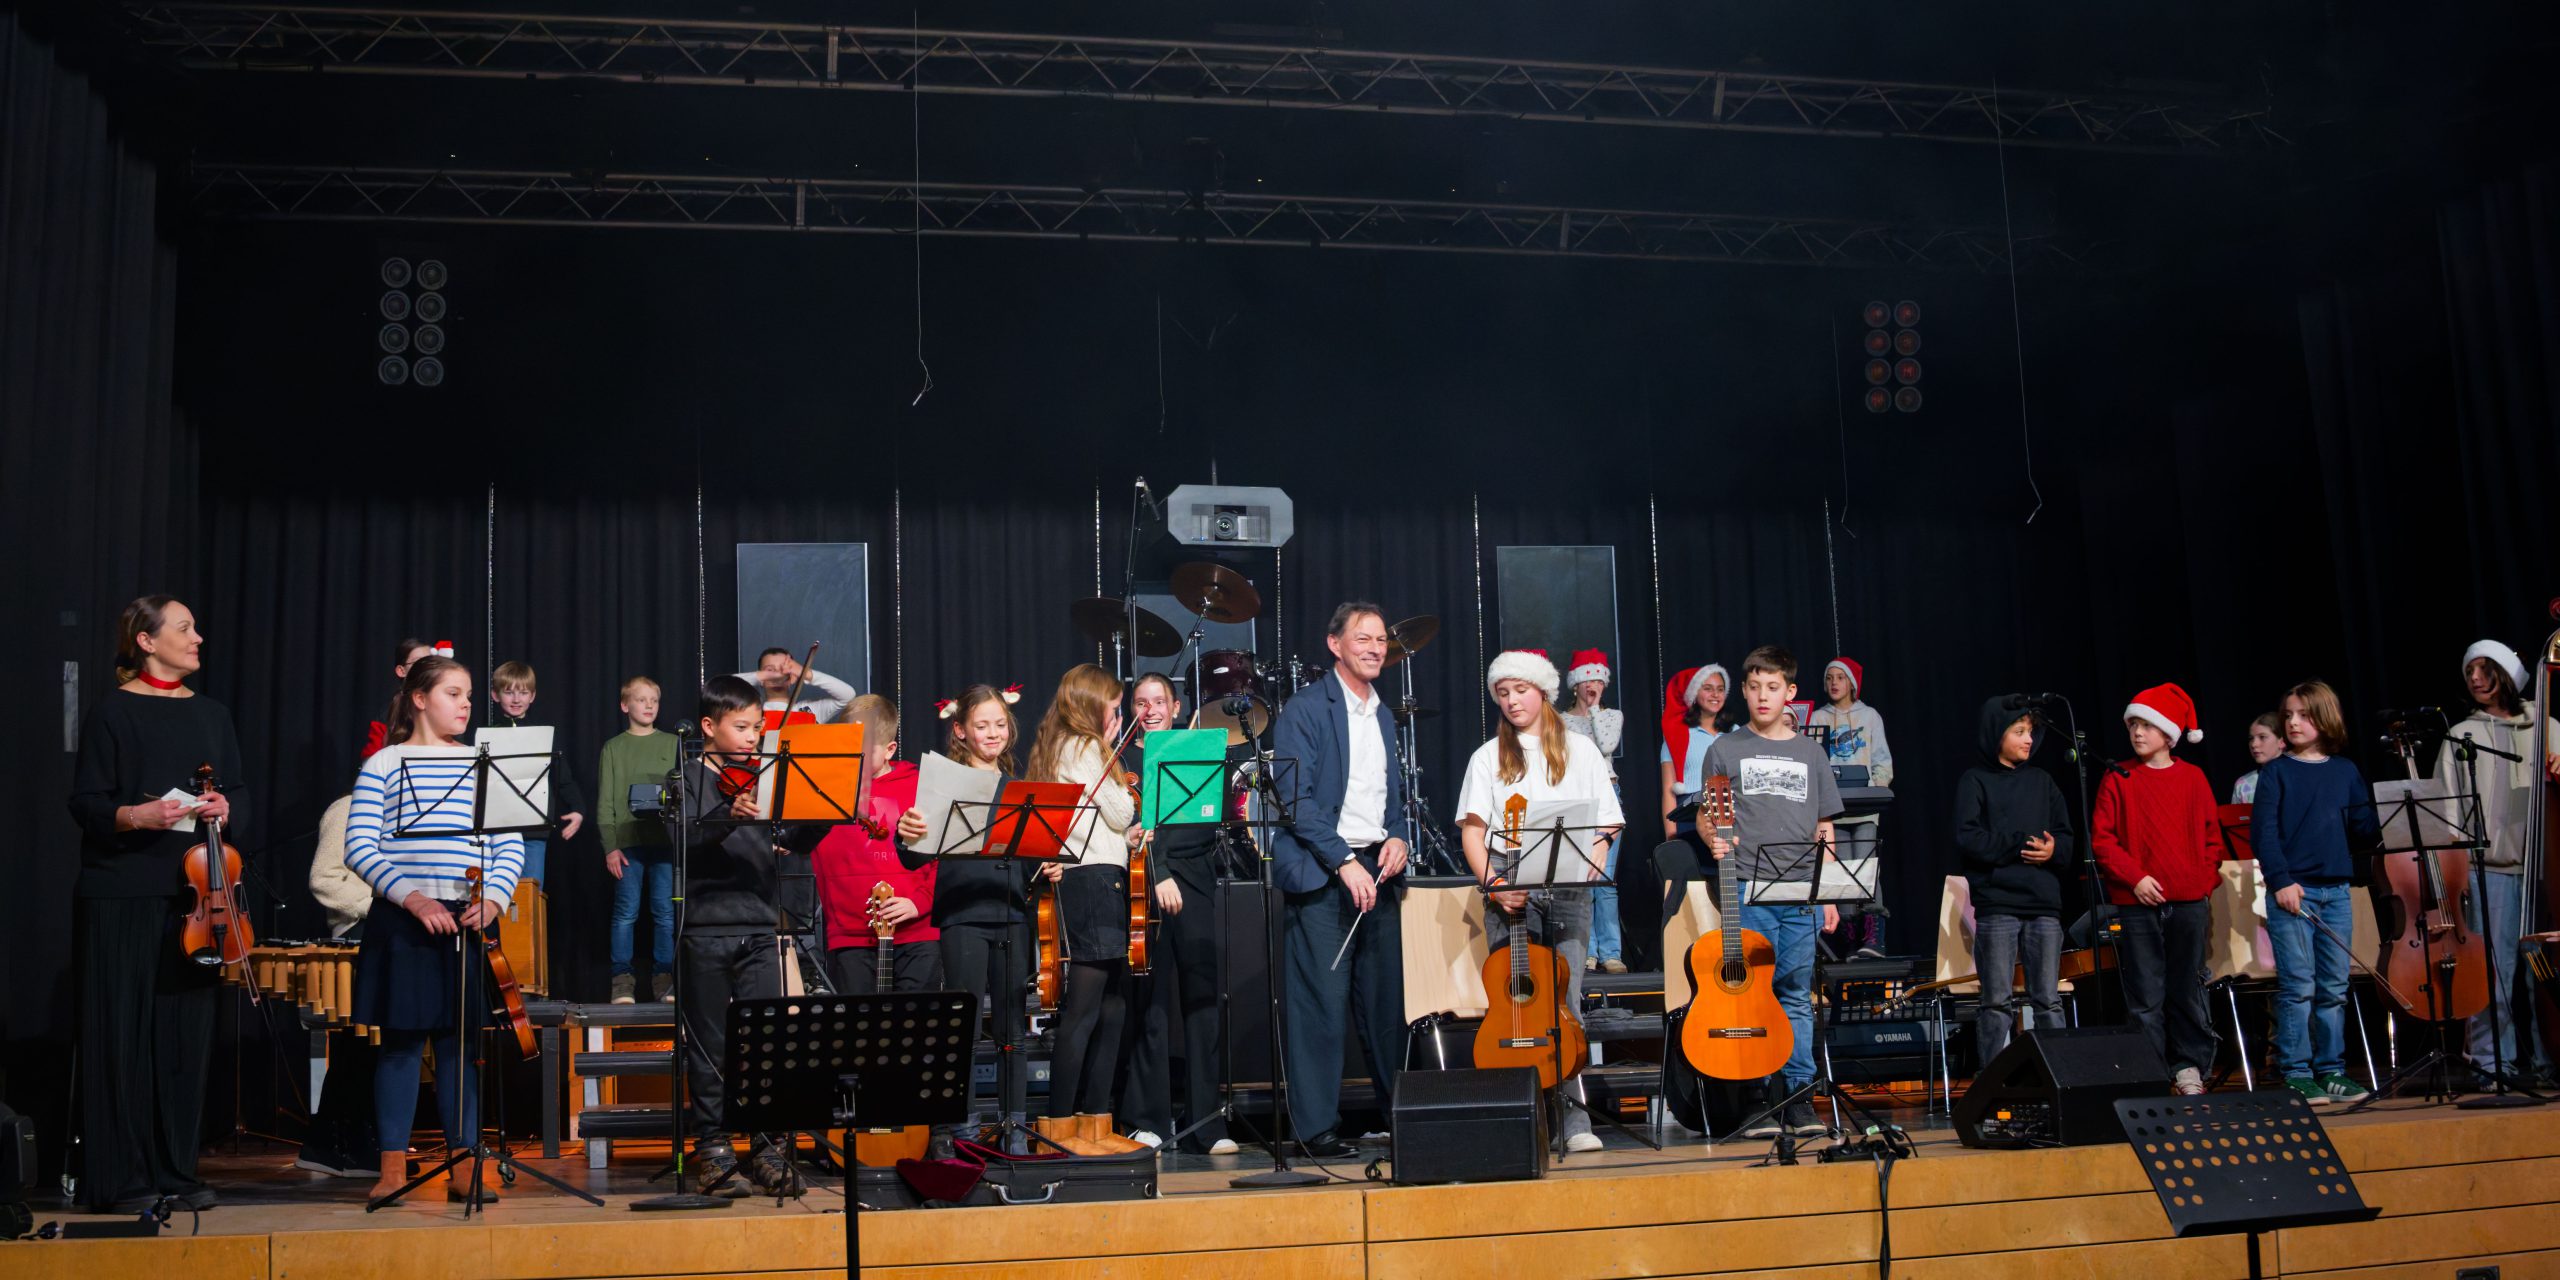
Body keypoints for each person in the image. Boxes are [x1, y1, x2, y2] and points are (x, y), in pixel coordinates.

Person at [65, 596, 244, 1213]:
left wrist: (226, 806)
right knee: (121, 1036)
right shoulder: (112, 711)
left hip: (197, 897)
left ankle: (176, 1170)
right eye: (184, 628)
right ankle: (120, 1177)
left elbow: (239, 791)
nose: (198, 638)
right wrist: (133, 815)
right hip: (122, 891)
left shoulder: (213, 714)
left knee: (183, 1039)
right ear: (146, 641)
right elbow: (86, 802)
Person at [342, 654, 521, 1203]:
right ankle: (393, 1168)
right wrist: (414, 899)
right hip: (405, 921)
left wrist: (495, 897)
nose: (466, 705)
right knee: (400, 1046)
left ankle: (463, 1163)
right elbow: (359, 846)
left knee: (459, 1048)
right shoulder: (385, 763)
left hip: (465, 920)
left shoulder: (484, 764)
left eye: (468, 695)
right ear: (419, 699)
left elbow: (509, 842)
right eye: (453, 693)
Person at [1457, 649, 1624, 1153]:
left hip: (1568, 887)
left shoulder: (1581, 750)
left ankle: (1573, 1119)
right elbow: (1473, 831)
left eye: (1520, 690)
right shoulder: (1487, 756)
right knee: (1517, 1004)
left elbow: (1609, 819)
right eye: (1503, 693)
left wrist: (1598, 851)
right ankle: (1523, 1118)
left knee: (1565, 1004)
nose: (1511, 701)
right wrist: (1494, 884)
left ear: (1544, 692)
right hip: (1509, 887)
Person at [663, 675, 818, 1196]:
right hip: (703, 928)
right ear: (709, 726)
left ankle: (769, 1149)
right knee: (710, 1046)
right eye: (742, 727)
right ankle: (714, 1149)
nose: (753, 737)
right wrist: (726, 817)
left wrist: (828, 813)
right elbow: (681, 839)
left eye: (758, 728)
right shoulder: (684, 778)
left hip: (760, 925)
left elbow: (794, 838)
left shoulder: (765, 776)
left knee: (767, 1044)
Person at [1270, 602, 1414, 1160]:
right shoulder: (1306, 708)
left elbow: (1391, 796)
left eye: (1381, 640)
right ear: (1335, 644)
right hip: (1325, 870)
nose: (1376, 648)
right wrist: (1343, 861)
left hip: (1378, 869)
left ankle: (1399, 1116)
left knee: (1385, 1007)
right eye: (1364, 638)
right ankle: (1315, 1130)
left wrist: (1398, 836)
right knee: (1321, 1007)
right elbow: (1294, 799)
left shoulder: (1383, 714)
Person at [1701, 645, 1841, 1139]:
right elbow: (1707, 813)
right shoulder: (1725, 749)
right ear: (1744, 690)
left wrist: (1828, 892)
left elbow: (1824, 825)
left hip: (1801, 891)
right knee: (1752, 994)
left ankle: (1799, 1098)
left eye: (1773, 687)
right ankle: (1760, 1096)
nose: (1764, 696)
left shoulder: (1811, 753)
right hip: (1747, 887)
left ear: (1790, 692)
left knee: (1796, 995)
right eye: (1755, 687)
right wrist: (1712, 837)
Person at [894, 682, 1034, 1152]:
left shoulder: (1019, 789)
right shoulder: (943, 784)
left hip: (1012, 914)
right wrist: (905, 833)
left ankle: (1015, 1129)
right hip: (962, 916)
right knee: (965, 1030)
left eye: (1000, 724)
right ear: (960, 730)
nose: (993, 733)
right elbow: (913, 856)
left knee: (1013, 1032)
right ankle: (963, 1130)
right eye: (982, 725)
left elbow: (1032, 859)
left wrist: (1047, 861)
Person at [1020, 665, 1147, 1155]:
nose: (1118, 716)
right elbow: (1119, 810)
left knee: (1112, 1007)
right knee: (1085, 1010)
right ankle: (1057, 1127)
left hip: (1100, 875)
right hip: (1091, 882)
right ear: (1093, 706)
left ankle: (1095, 1123)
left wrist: (1125, 838)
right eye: (1113, 708)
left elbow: (1100, 825)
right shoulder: (1083, 746)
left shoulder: (1068, 746)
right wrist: (1109, 752)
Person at [1118, 673, 1236, 1154]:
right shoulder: (1123, 760)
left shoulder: (1198, 752)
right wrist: (1159, 870)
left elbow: (1209, 818)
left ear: (1176, 706)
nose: (1150, 710)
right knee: (1151, 1000)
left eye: (1159, 701)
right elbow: (1132, 827)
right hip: (1146, 879)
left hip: (1197, 878)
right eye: (1140, 702)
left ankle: (1206, 1124)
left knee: (1203, 998)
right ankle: (1147, 1120)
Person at [2090, 682, 2227, 1095]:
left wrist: (2200, 884)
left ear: (2168, 734)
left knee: (2185, 988)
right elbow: (2103, 840)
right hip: (2137, 903)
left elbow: (2213, 840)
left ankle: (2188, 1067)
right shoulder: (2119, 777)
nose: (2137, 732)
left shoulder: (2193, 778)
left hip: (2188, 901)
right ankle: (2149, 1072)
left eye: (2146, 725)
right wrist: (2136, 878)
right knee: (2145, 994)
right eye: (2132, 725)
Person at [2254, 680, 2381, 1105]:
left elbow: (2364, 827)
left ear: (2325, 719)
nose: (2293, 722)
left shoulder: (2344, 770)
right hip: (2295, 892)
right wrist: (2281, 881)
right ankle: (2296, 1073)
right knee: (2298, 987)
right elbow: (2264, 835)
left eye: (2303, 715)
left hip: (2337, 893)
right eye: (2289, 715)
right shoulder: (2276, 772)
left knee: (2334, 988)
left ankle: (2331, 1071)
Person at [2440, 640, 2553, 1089]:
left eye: (2485, 669)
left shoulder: (2547, 726)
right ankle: (2492, 1064)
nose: (2475, 678)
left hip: (2546, 874)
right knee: (2494, 974)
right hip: (2490, 871)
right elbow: (2448, 809)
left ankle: (2550, 1060)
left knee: (2544, 975)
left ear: (2506, 675)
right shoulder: (2461, 735)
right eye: (2470, 671)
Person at [1953, 696, 2075, 1066]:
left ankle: (2057, 1076)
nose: (2028, 739)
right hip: (1999, 904)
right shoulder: (1975, 780)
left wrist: (2053, 850)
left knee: (2048, 999)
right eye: (2019, 731)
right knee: (1996, 1002)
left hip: (2043, 904)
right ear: (1997, 734)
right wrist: (2019, 844)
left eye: (2030, 732)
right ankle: (1996, 1080)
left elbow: (2066, 837)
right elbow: (1969, 838)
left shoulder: (2042, 781)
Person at [815, 695, 937, 994]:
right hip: (850, 935)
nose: (854, 754)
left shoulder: (921, 786)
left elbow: (943, 857)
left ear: (889, 749)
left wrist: (919, 902)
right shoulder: (823, 788)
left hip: (917, 931)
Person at [597, 676, 679, 1003]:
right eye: (641, 699)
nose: (648, 705)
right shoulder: (614, 747)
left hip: (664, 842)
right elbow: (605, 801)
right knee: (626, 913)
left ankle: (664, 978)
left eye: (654, 700)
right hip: (627, 843)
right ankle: (622, 980)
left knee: (665, 913)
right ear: (624, 705)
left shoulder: (672, 743)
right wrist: (610, 846)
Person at [1807, 656, 1891, 949]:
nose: (1834, 683)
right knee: (1840, 870)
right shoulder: (1818, 718)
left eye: (1840, 678)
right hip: (1835, 811)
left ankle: (1872, 937)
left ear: (1852, 683)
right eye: (1829, 678)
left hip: (1864, 809)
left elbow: (1882, 759)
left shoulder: (1869, 716)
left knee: (1866, 866)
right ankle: (1849, 938)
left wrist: (1876, 788)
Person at [485, 660, 585, 886]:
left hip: (532, 831)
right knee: (495, 891)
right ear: (495, 695)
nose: (516, 699)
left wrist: (578, 809)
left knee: (530, 894)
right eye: (509, 692)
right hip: (495, 830)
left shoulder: (543, 734)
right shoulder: (486, 733)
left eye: (523, 693)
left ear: (532, 696)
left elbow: (563, 778)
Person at [1558, 648, 1627, 973]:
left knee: (1605, 879)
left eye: (1598, 680)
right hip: (1577, 798)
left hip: (1608, 795)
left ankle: (1611, 952)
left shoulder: (1612, 716)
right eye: (1587, 681)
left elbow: (1607, 745)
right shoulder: (1561, 721)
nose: (1593, 685)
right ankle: (1588, 949)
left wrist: (1595, 709)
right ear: (1575, 685)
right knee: (1583, 878)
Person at [1658, 664, 1731, 839]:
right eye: (1708, 688)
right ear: (1694, 694)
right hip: (1690, 816)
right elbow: (1668, 791)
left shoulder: (1735, 732)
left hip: (1729, 812)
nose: (1715, 694)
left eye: (1720, 689)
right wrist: (1671, 837)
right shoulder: (1677, 737)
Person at [363, 637, 448, 758]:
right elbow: (371, 759)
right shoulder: (386, 714)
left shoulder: (444, 707)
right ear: (401, 671)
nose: (425, 668)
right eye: (418, 662)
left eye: (429, 662)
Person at [737, 646, 856, 724]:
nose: (778, 674)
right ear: (761, 679)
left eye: (783, 669)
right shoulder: (751, 713)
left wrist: (805, 673)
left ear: (792, 677)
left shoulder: (810, 711)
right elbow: (725, 685)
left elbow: (848, 695)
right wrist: (762, 676)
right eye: (770, 670)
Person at [2231, 712, 2286, 804]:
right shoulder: (2243, 784)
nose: (2253, 744)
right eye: (2251, 738)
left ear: (2282, 742)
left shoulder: (2296, 777)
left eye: (2262, 737)